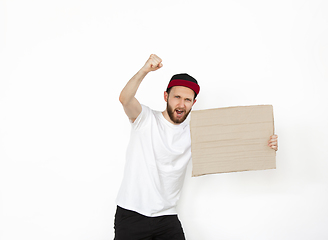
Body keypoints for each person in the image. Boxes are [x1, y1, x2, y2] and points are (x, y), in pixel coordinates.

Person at [114, 54, 278, 240]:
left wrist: (266, 143)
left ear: (194, 102)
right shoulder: (145, 119)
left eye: (187, 100)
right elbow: (125, 99)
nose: (181, 104)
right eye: (177, 97)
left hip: (166, 217)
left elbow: (234, 144)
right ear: (166, 96)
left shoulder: (195, 130)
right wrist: (144, 70)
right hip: (132, 214)